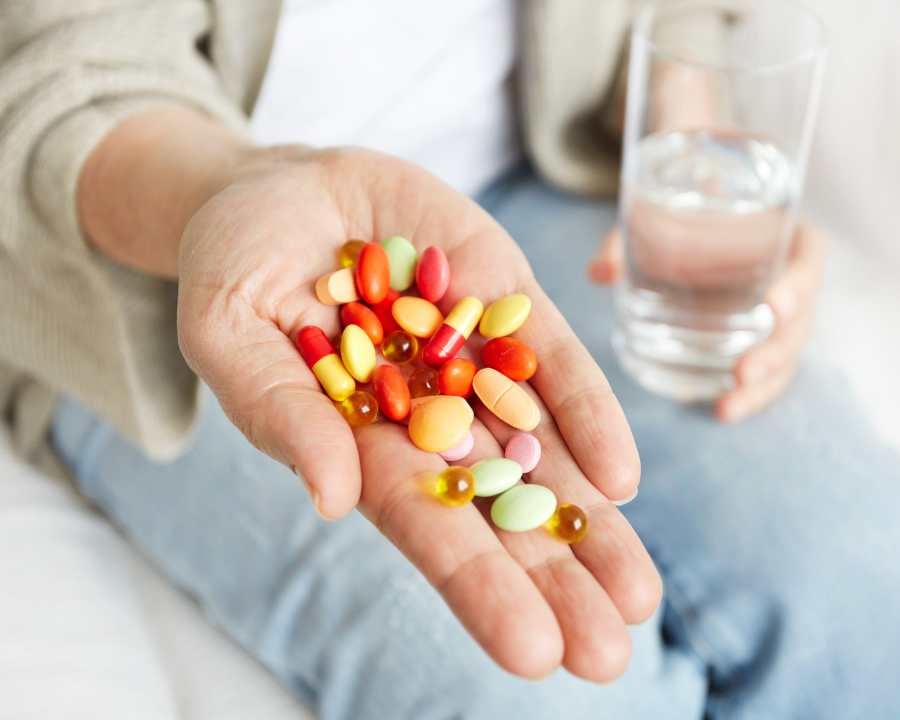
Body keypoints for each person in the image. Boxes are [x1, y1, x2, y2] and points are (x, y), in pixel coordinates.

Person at [1, 2, 898, 718]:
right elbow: (64, 76)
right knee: (538, 695)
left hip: (532, 184)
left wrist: (689, 139)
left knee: (864, 578)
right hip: (157, 252)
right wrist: (222, 195)